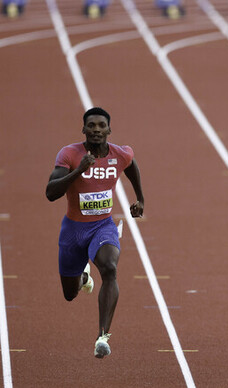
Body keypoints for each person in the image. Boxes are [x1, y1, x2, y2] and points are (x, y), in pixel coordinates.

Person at [46, 107, 145, 359]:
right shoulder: (69, 154)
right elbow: (50, 193)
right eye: (92, 125)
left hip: (103, 226)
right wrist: (78, 170)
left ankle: (102, 336)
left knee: (110, 268)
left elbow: (132, 166)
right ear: (84, 130)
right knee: (70, 294)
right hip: (73, 230)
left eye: (102, 125)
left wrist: (140, 199)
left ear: (109, 130)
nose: (97, 130)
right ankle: (83, 277)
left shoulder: (120, 154)